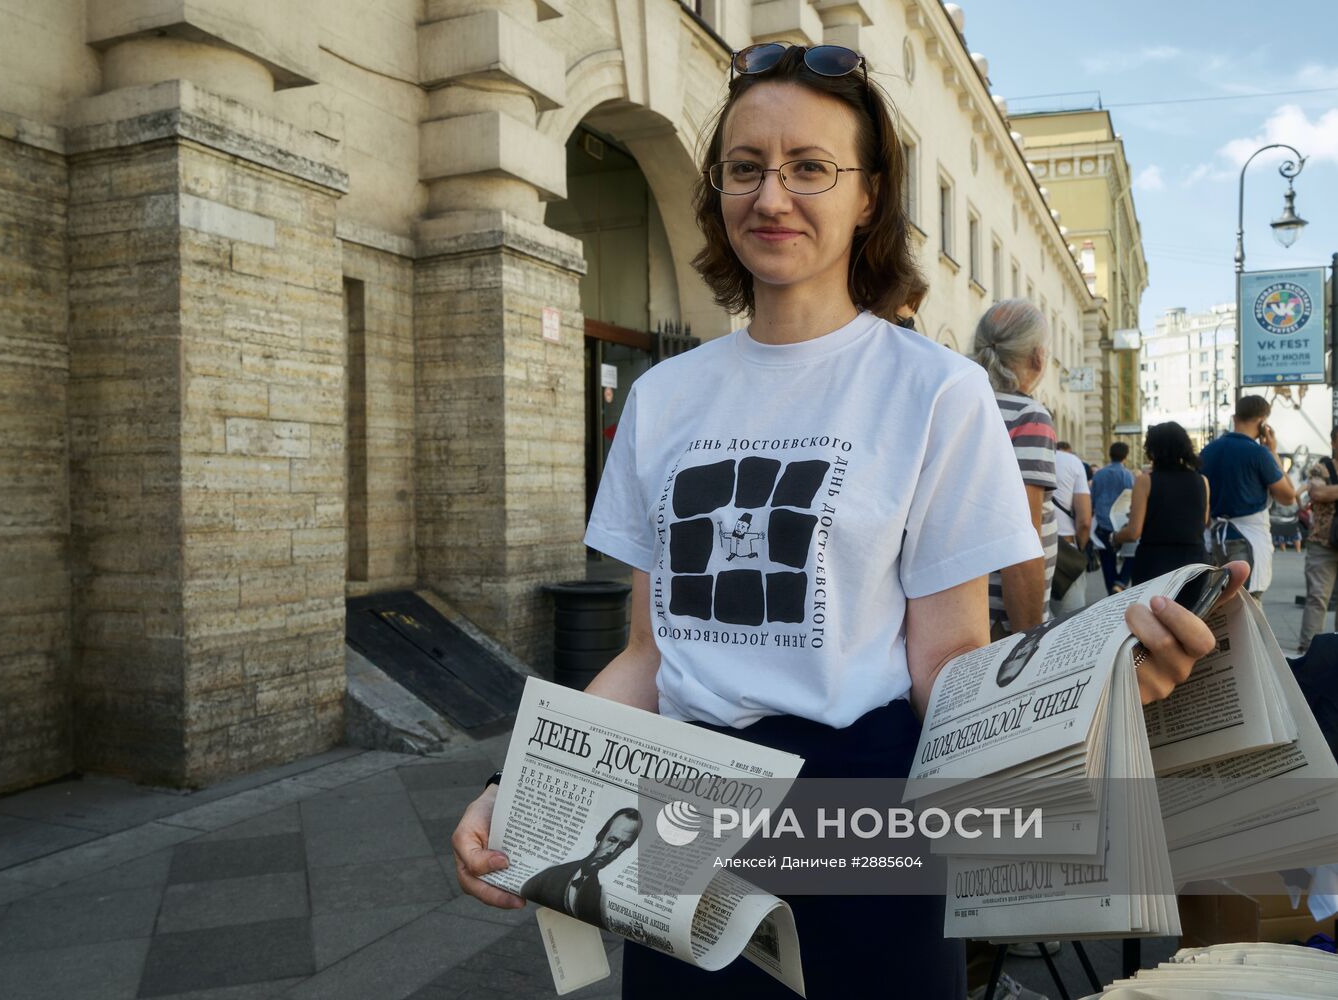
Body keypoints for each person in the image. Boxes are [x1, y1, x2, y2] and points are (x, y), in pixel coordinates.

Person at [450, 41, 1245, 1000]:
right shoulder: (663, 399)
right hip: (683, 810)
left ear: (868, 194)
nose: (771, 196)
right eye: (745, 168)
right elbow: (647, 657)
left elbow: (944, 667)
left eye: (810, 168)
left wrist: (1100, 688)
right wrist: (522, 789)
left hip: (865, 809)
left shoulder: (935, 392)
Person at [973, 300, 1056, 638]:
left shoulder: (959, 402)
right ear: (1038, 357)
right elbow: (1021, 542)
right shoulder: (1028, 416)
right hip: (1000, 622)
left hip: (955, 609)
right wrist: (1028, 642)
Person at [1199, 395, 1297, 598]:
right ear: (1263, 422)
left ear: (1235, 418)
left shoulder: (1207, 451)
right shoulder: (1259, 454)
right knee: (1249, 604)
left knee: (1217, 605)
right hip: (1248, 540)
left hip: (1214, 539)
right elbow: (1288, 497)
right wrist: (1273, 452)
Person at [1111, 422, 1209, 585]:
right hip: (1194, 563)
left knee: (1153, 610)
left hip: (1155, 563)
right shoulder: (1202, 481)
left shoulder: (1145, 481)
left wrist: (1114, 538)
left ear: (1153, 450)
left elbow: (1134, 532)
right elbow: (1203, 522)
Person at [520, 808, 642, 926]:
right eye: (612, 840)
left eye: (623, 845)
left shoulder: (597, 892)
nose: (613, 850)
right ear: (599, 839)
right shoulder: (553, 874)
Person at [1298, 427, 1338, 654]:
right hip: (1323, 543)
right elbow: (1318, 494)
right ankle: (1309, 653)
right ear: (1333, 442)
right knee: (1317, 599)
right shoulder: (1320, 468)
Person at [1050, 441, 1092, 617]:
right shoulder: (1071, 461)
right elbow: (1084, 521)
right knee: (1071, 624)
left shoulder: (1013, 456)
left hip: (1025, 552)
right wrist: (1080, 549)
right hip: (1065, 551)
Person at [1091, 442, 1135, 593]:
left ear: (1110, 454)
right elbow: (1131, 499)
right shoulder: (1127, 475)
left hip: (1102, 524)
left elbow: (1093, 498)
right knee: (1132, 554)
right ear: (1126, 456)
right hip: (1122, 524)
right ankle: (1121, 581)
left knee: (1107, 561)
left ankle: (1113, 591)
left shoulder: (1099, 474)